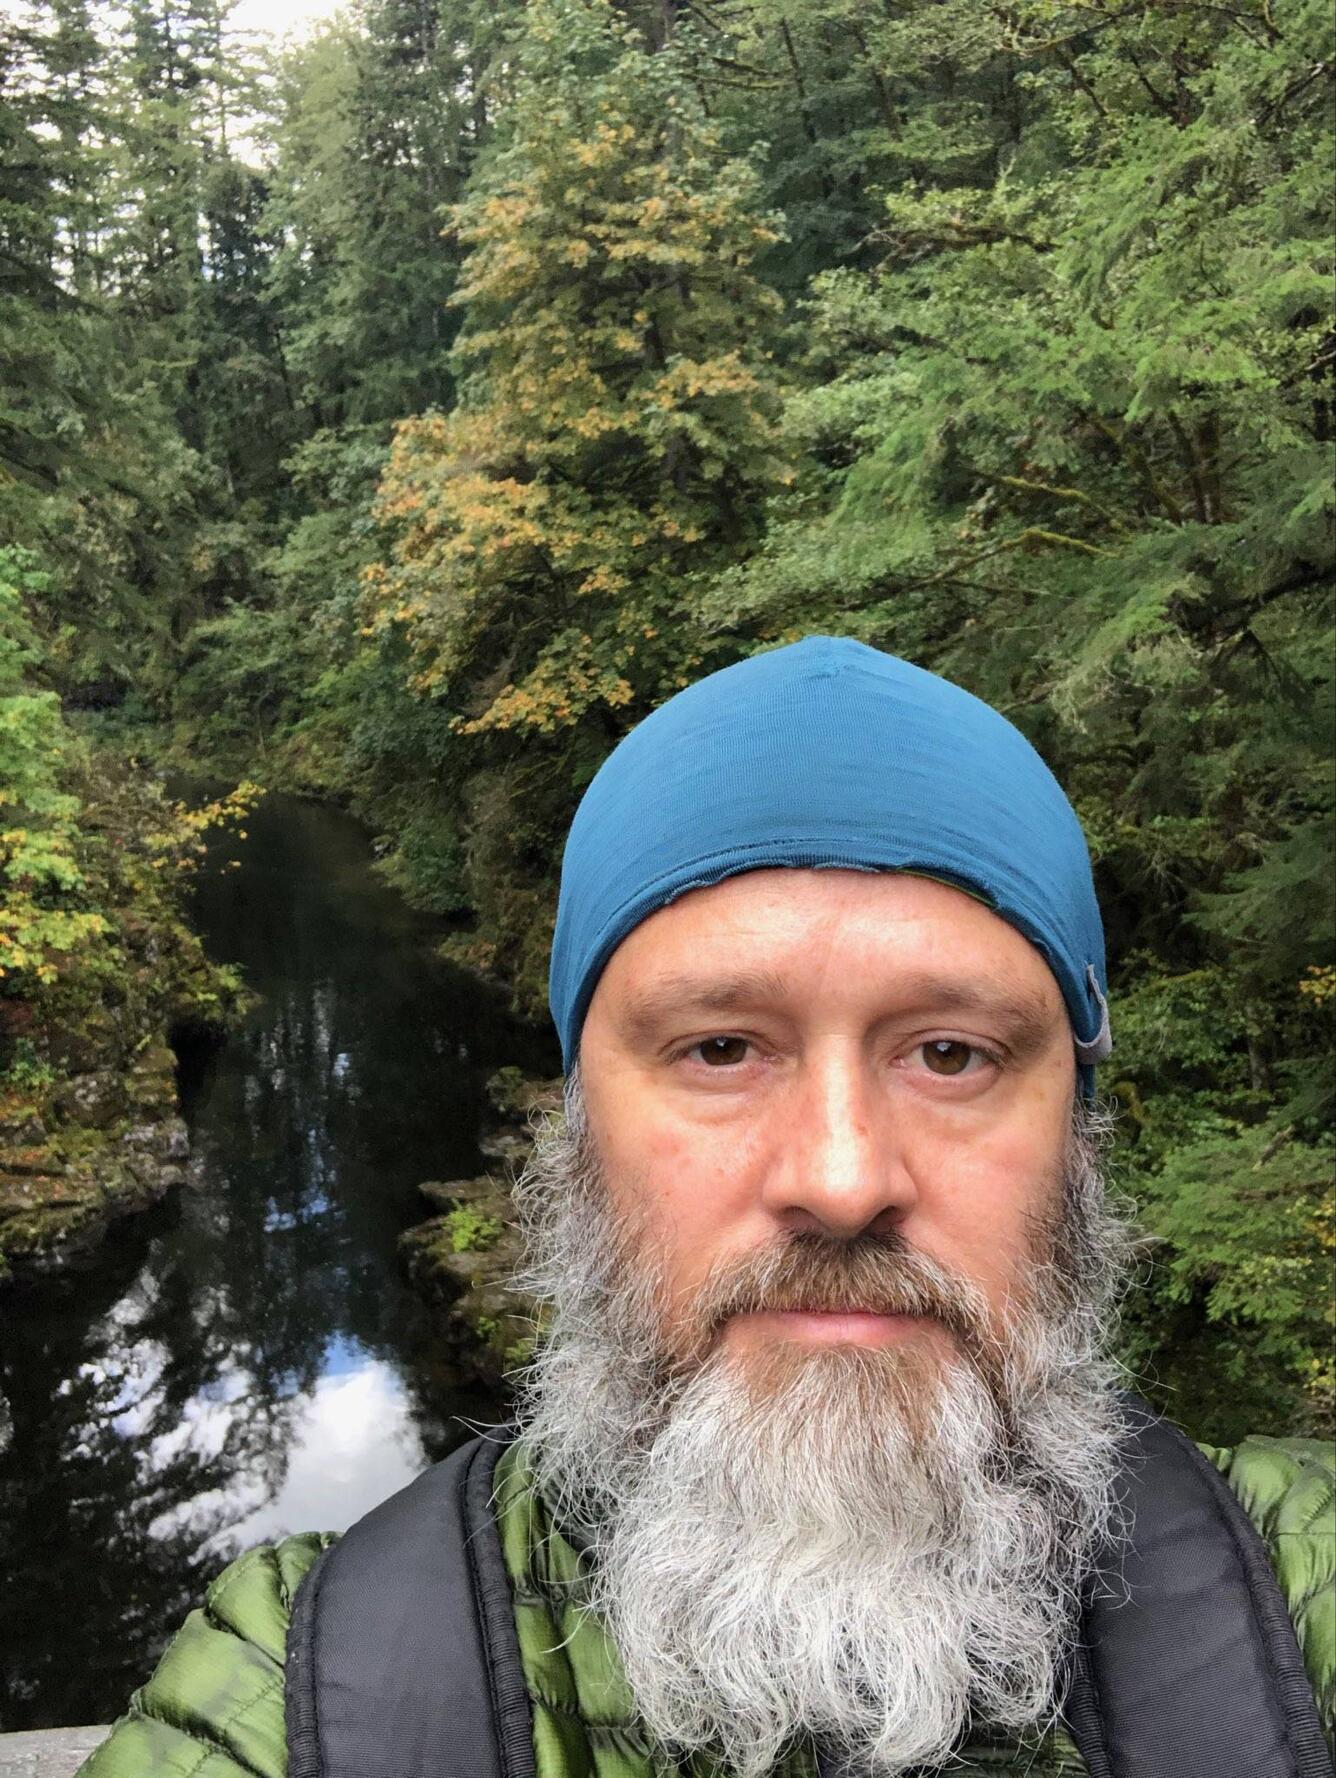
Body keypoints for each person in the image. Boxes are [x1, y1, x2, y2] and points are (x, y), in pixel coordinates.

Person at [80, 637, 1333, 1778]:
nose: (841, 1182)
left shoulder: (1300, 1593)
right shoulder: (307, 1688)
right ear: (577, 1130)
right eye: (721, 1047)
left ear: (1077, 1129)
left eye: (950, 1053)